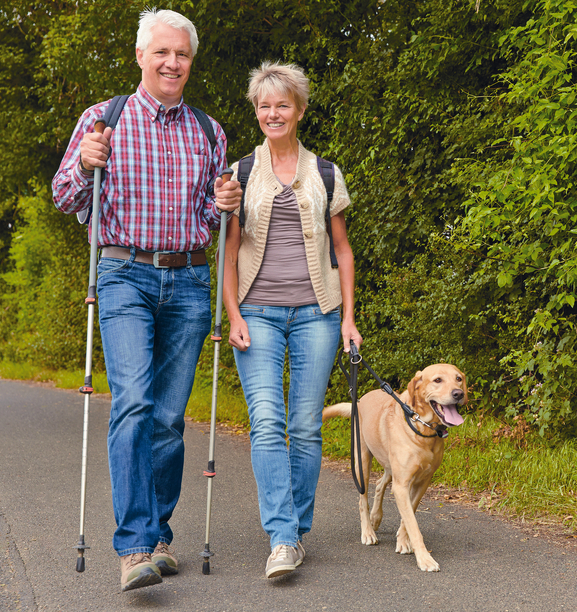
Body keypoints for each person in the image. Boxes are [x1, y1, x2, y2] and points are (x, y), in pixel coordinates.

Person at [52, 8, 242, 592]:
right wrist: (86, 166)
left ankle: (159, 535)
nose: (172, 63)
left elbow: (211, 218)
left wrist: (228, 200)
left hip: (187, 281)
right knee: (133, 402)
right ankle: (134, 547)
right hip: (123, 275)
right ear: (141, 56)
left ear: (191, 61)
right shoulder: (102, 119)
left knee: (167, 418)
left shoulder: (209, 131)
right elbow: (63, 195)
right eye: (162, 52)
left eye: (181, 54)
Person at [222, 61, 362, 579]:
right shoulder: (239, 173)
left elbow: (343, 251)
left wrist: (348, 318)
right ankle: (282, 536)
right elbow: (229, 253)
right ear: (256, 112)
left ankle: (294, 531)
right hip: (256, 313)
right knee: (265, 421)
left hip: (317, 316)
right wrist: (232, 312)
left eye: (283, 104)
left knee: (304, 427)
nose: (273, 113)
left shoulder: (325, 173)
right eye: (264, 106)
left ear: (299, 110)